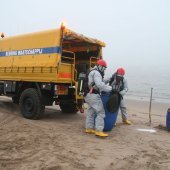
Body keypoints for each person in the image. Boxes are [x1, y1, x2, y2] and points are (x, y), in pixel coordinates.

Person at [85, 59, 112, 137]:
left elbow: (99, 81)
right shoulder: (97, 73)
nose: (104, 69)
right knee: (101, 112)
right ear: (100, 66)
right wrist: (110, 88)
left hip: (88, 94)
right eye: (104, 68)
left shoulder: (92, 71)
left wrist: (109, 79)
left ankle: (89, 128)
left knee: (91, 111)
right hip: (93, 95)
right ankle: (99, 130)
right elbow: (99, 84)